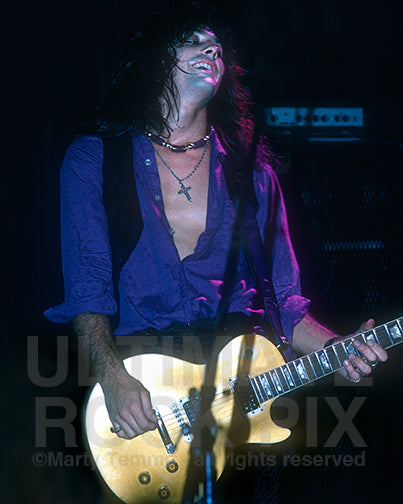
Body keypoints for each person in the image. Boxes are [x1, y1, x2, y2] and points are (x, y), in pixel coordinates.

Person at [45, 1, 387, 502]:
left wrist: (342, 348)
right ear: (158, 58)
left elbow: (288, 307)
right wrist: (112, 377)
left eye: (218, 48)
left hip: (243, 401)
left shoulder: (254, 176)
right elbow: (87, 287)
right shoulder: (94, 161)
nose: (212, 50)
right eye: (194, 41)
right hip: (143, 387)